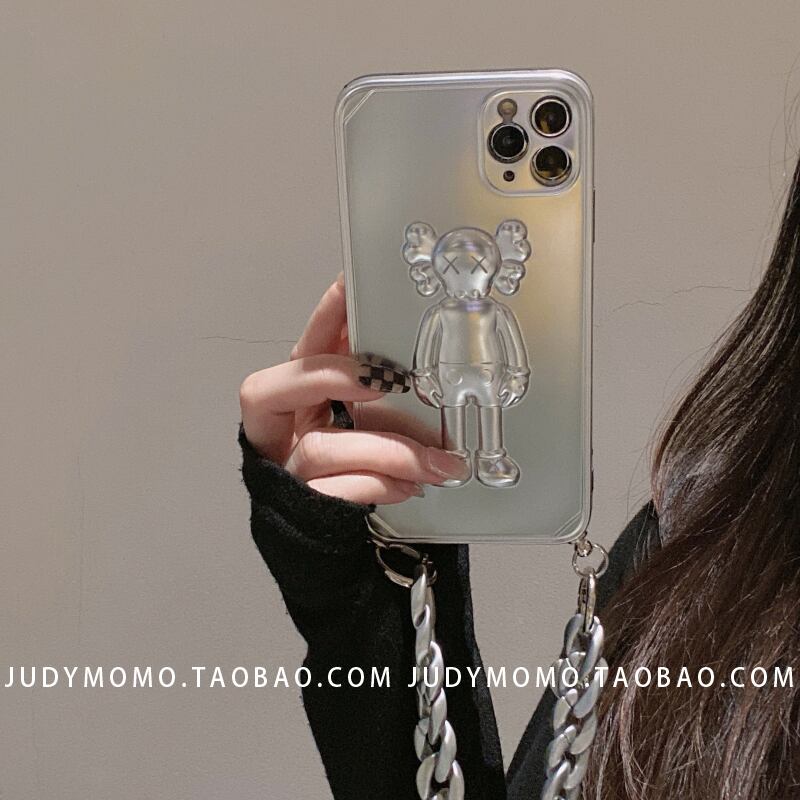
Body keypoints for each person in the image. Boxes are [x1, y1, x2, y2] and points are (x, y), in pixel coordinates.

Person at [238, 153, 800, 799]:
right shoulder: (717, 545)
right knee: (467, 429)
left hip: (483, 384)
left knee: (481, 427)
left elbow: (505, 348)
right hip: (463, 397)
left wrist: (512, 378)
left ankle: (488, 455)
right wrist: (359, 594)